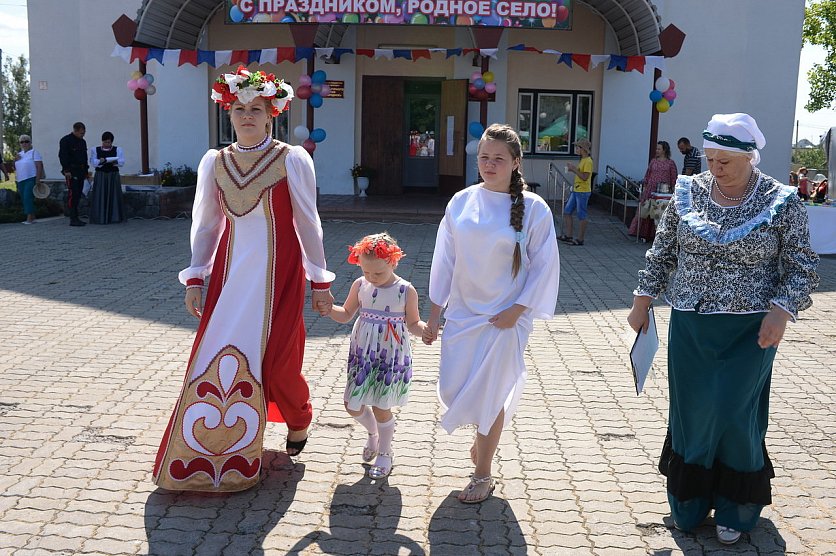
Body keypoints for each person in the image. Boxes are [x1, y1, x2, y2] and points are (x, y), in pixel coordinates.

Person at [627, 113, 819, 545]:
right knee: (693, 413)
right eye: (710, 158)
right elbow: (663, 251)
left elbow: (803, 267)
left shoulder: (782, 201)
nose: (715, 168)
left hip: (751, 329)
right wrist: (642, 300)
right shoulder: (687, 192)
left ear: (750, 157)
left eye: (725, 161)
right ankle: (690, 504)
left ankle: (736, 506)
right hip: (691, 324)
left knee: (734, 413)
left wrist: (781, 312)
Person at [153, 66, 335, 492]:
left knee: (279, 362)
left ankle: (299, 417)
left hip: (279, 274)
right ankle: (213, 451)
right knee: (217, 355)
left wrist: (320, 281)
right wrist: (196, 277)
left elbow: (308, 223)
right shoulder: (215, 162)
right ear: (228, 113)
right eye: (239, 109)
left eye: (256, 109)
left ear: (271, 115)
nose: (247, 115)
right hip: (230, 276)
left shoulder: (292, 159)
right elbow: (207, 224)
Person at [424, 123, 560, 504]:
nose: (489, 164)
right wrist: (434, 313)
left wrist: (517, 310)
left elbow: (545, 266)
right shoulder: (461, 202)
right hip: (464, 314)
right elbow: (444, 260)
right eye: (484, 157)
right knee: (453, 388)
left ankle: (482, 472)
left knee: (489, 394)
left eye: (499, 158)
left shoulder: (534, 209)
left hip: (505, 319)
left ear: (516, 162)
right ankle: (483, 439)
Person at [324, 232, 426, 479]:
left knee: (381, 407)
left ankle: (385, 452)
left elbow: (413, 323)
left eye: (378, 273)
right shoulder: (361, 285)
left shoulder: (405, 290)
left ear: (393, 262)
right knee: (352, 405)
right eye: (366, 271)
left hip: (389, 356)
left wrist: (426, 331)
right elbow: (346, 314)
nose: (372, 277)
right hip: (363, 354)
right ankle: (373, 434)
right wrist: (329, 309)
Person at [628, 141, 678, 241]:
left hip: (663, 192)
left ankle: (656, 235)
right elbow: (648, 174)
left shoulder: (670, 163)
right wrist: (645, 186)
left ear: (664, 150)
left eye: (659, 149)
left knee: (658, 213)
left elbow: (674, 178)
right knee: (646, 211)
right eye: (656, 149)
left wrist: (673, 191)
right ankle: (642, 233)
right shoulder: (653, 161)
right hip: (650, 190)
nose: (657, 151)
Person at [558, 138, 594, 245]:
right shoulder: (583, 160)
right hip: (576, 190)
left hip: (582, 191)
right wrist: (573, 169)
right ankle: (569, 236)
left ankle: (580, 239)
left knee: (581, 215)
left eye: (578, 147)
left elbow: (585, 177)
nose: (576, 149)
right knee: (567, 211)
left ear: (583, 149)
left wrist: (574, 169)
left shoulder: (588, 161)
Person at [88, 131, 125, 224]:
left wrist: (114, 162)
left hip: (113, 175)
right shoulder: (95, 150)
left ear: (111, 142)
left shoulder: (118, 149)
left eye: (108, 142)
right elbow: (93, 162)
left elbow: (121, 162)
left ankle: (114, 217)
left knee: (113, 195)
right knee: (100, 195)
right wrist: (100, 161)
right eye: (105, 142)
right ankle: (99, 217)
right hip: (101, 175)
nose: (107, 144)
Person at [59, 122, 89, 226]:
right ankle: (73, 218)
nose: (83, 135)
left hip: (81, 171)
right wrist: (66, 170)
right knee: (73, 194)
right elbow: (63, 156)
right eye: (81, 133)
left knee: (78, 194)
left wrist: (86, 171)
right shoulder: (66, 140)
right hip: (71, 171)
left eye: (84, 133)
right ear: (75, 131)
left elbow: (84, 157)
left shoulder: (82, 142)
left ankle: (76, 217)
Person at [14, 134, 44, 225]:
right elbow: (15, 167)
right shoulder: (19, 154)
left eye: (26, 141)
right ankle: (33, 217)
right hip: (20, 179)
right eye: (22, 142)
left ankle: (29, 218)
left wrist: (38, 179)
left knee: (28, 197)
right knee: (24, 198)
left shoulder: (34, 152)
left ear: (30, 142)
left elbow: (39, 166)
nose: (24, 143)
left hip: (31, 178)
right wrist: (15, 160)